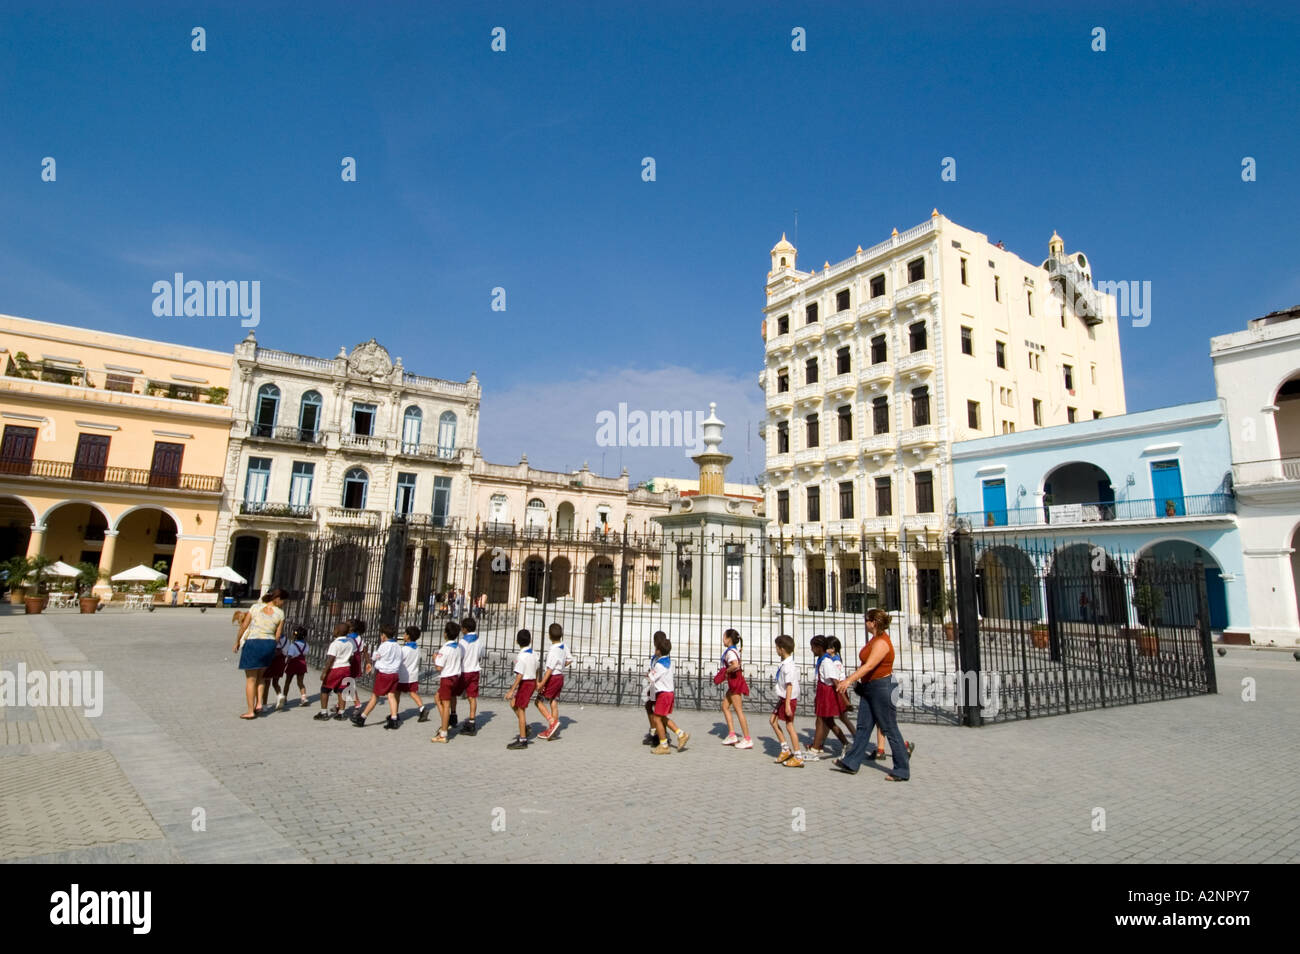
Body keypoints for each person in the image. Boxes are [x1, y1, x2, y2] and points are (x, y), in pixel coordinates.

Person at [833, 609, 914, 780]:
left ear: (873, 623)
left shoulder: (882, 643)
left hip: (882, 688)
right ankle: (851, 762)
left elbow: (869, 666)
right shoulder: (875, 639)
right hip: (870, 688)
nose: (865, 623)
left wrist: (848, 680)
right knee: (863, 727)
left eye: (866, 620)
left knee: (889, 728)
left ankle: (902, 770)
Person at [233, 588, 286, 720]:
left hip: (253, 643)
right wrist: (273, 646)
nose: (284, 603)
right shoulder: (280, 613)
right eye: (283, 600)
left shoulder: (255, 608)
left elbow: (244, 625)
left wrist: (237, 641)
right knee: (262, 677)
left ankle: (250, 710)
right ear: (277, 599)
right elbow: (278, 635)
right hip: (268, 644)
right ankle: (259, 704)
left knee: (251, 679)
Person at [808, 635, 850, 760]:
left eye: (813, 647)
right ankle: (845, 743)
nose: (811, 650)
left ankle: (815, 749)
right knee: (828, 721)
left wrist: (845, 700)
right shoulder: (822, 660)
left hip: (827, 693)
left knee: (823, 720)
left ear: (820, 648)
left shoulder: (827, 662)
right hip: (822, 692)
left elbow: (835, 680)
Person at [352, 624, 402, 729]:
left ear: (383, 636)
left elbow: (375, 657)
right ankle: (394, 718)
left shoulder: (384, 646)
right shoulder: (397, 646)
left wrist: (374, 654)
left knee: (375, 697)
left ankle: (362, 717)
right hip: (394, 673)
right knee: (391, 696)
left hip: (384, 673)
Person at [648, 632, 689, 755]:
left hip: (663, 694)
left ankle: (664, 744)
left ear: (658, 651)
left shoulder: (660, 665)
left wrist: (649, 674)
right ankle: (681, 734)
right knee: (663, 718)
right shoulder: (668, 662)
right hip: (668, 693)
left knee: (657, 718)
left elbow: (651, 677)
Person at [535, 623, 574, 740]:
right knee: (553, 702)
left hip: (552, 678)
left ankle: (552, 722)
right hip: (560, 677)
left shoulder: (552, 651)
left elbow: (549, 670)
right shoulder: (563, 646)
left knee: (538, 701)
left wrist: (541, 683)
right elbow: (570, 659)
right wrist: (561, 665)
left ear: (549, 636)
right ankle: (554, 731)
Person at [770, 635, 803, 767]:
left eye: (777, 648)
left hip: (788, 699)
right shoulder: (785, 663)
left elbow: (789, 685)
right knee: (772, 721)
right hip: (783, 698)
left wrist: (788, 704)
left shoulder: (788, 666)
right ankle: (785, 749)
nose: (776, 650)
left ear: (782, 649)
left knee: (789, 726)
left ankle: (798, 755)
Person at [716, 629, 752, 749]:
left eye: (724, 637)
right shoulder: (733, 650)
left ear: (729, 639)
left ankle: (747, 738)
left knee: (738, 710)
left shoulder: (730, 652)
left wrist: (726, 671)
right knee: (725, 706)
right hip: (733, 681)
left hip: (735, 681)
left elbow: (735, 664)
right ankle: (732, 734)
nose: (722, 639)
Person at [315, 622, 358, 721]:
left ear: (338, 631)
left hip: (335, 668)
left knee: (325, 689)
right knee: (342, 690)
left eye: (335, 629)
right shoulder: (349, 643)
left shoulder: (335, 644)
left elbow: (331, 659)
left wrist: (325, 672)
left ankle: (324, 712)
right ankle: (341, 713)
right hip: (346, 668)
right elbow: (351, 657)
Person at [504, 629, 539, 750]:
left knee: (521, 709)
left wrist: (511, 690)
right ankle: (526, 727)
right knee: (513, 703)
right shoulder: (534, 653)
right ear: (530, 640)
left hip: (526, 683)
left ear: (517, 642)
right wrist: (537, 682)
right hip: (531, 681)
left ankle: (523, 739)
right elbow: (537, 668)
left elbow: (519, 675)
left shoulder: (521, 656)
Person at [429, 620, 463, 743]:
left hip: (447, 677)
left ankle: (443, 732)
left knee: (445, 704)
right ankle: (446, 721)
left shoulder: (445, 648)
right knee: (437, 697)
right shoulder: (458, 647)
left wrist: (434, 658)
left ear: (445, 634)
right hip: (455, 677)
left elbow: (439, 667)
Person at [452, 616, 482, 734]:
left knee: (453, 693)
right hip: (475, 670)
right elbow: (481, 655)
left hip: (464, 671)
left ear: (465, 629)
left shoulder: (463, 642)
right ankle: (472, 721)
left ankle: (453, 714)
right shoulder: (479, 641)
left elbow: (459, 656)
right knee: (472, 696)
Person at [398, 626, 430, 723]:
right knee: (413, 693)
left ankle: (394, 713)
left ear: (408, 636)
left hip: (403, 676)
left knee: (396, 694)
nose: (404, 635)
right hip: (413, 675)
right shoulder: (417, 649)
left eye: (405, 634)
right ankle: (422, 708)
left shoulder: (404, 649)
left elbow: (399, 661)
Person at [283, 626, 310, 707]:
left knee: (288, 681)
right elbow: (305, 653)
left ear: (295, 635)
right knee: (300, 682)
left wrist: (285, 664)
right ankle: (304, 697)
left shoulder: (293, 645)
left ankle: (284, 698)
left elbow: (290, 656)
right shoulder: (306, 645)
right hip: (302, 664)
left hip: (293, 664)